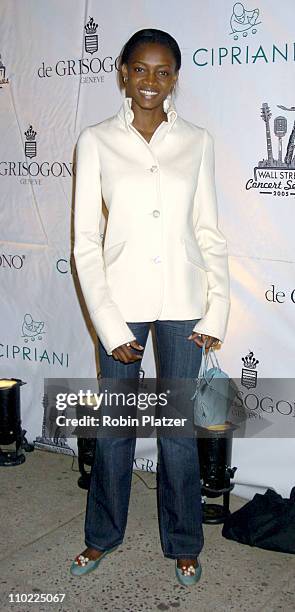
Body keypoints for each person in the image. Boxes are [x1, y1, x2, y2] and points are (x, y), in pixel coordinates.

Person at [71, 28, 230, 586]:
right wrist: (108, 323)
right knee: (115, 430)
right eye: (140, 69)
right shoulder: (95, 141)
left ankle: (184, 543)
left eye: (163, 72)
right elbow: (85, 242)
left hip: (186, 304)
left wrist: (216, 313)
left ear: (175, 78)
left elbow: (209, 233)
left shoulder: (198, 140)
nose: (150, 82)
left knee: (179, 433)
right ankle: (101, 537)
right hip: (120, 303)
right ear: (122, 71)